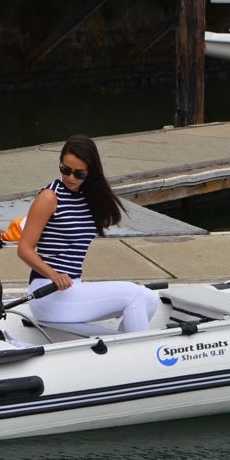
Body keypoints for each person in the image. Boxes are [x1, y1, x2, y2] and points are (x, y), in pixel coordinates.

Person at [17, 134, 158, 332]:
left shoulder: (89, 197)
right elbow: (24, 249)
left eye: (79, 174)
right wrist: (54, 275)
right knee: (133, 295)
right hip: (47, 291)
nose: (71, 178)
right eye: (65, 170)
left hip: (73, 288)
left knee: (149, 299)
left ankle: (123, 349)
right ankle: (142, 354)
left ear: (90, 173)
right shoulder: (49, 197)